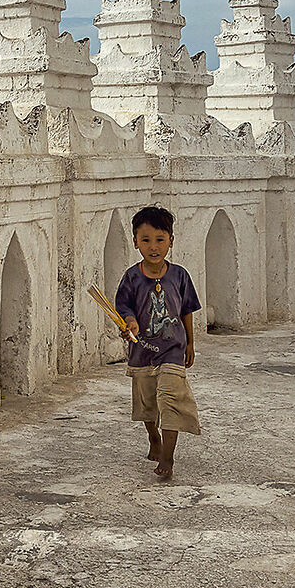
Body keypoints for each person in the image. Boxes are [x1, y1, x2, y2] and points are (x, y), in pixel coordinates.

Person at [113, 204, 201, 480]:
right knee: (148, 405)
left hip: (173, 351)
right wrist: (130, 322)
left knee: (171, 400)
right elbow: (123, 308)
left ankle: (168, 456)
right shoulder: (132, 277)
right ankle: (154, 437)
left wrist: (189, 343)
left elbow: (186, 310)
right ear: (135, 241)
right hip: (142, 353)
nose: (154, 247)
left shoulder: (179, 276)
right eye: (146, 240)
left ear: (171, 241)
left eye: (160, 240)